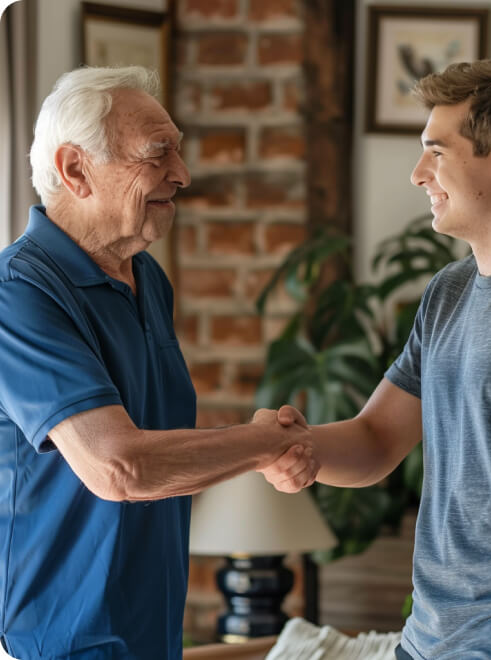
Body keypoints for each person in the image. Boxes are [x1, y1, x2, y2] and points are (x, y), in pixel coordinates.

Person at [262, 60, 491, 659]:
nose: (419, 175)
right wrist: (293, 448)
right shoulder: (449, 290)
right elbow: (375, 439)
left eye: (436, 152)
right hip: (425, 642)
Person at [0, 66, 318, 660]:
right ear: (76, 170)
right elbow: (119, 468)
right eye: (158, 153)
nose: (184, 173)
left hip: (152, 639)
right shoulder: (16, 293)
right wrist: (258, 445)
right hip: (59, 647)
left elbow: (157, 457)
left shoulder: (147, 277)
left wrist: (259, 447)